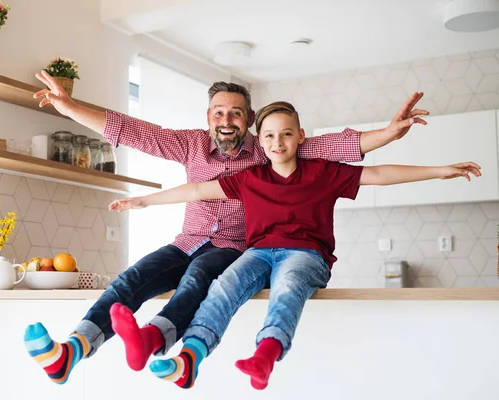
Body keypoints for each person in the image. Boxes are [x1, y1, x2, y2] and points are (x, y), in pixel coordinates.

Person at [24, 70, 429, 385]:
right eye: (219, 112)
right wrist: (70, 107)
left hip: (234, 248)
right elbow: (134, 132)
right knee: (133, 278)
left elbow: (343, 147)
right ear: (208, 117)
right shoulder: (190, 144)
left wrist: (392, 131)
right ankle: (71, 352)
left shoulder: (271, 147)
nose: (226, 119)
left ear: (250, 119)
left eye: (236, 112)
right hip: (186, 242)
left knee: (198, 279)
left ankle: (156, 341)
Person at [108, 101, 481, 390]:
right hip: (257, 253)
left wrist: (439, 170)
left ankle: (265, 356)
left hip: (306, 255)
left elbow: (380, 174)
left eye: (285, 134)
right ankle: (186, 355)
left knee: (287, 285)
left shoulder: (323, 171)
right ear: (260, 141)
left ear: (300, 136)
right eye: (268, 136)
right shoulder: (250, 178)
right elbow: (195, 190)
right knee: (223, 285)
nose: (277, 142)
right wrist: (143, 201)